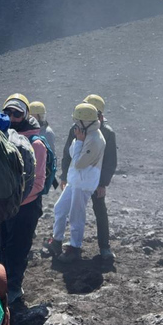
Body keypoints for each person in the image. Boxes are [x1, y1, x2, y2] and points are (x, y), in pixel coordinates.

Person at [0, 93, 47, 304]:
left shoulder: (36, 145)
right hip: (7, 205)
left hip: (25, 207)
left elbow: (39, 182)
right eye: (7, 112)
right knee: (2, 246)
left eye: (17, 113)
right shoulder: (2, 137)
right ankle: (2, 284)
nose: (12, 117)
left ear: (25, 115)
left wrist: (17, 199)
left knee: (18, 248)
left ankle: (14, 288)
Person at [57, 94, 117, 259]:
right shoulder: (77, 129)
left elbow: (110, 161)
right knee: (71, 210)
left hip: (93, 180)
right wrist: (64, 176)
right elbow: (67, 153)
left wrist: (103, 183)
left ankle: (104, 247)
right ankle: (67, 244)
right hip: (77, 179)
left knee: (99, 211)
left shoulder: (106, 133)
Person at [47, 104, 106, 262]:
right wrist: (79, 141)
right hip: (76, 181)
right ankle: (57, 241)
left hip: (83, 183)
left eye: (78, 121)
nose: (76, 125)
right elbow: (73, 154)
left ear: (86, 121)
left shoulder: (94, 138)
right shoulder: (86, 133)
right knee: (60, 208)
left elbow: (79, 162)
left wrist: (79, 141)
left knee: (76, 216)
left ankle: (74, 248)